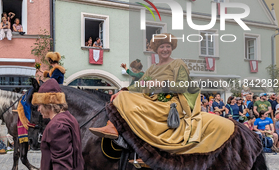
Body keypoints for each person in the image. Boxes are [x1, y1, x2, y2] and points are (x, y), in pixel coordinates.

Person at [89, 33, 237, 164]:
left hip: (172, 103)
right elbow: (140, 85)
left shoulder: (178, 64)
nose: (165, 49)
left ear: (171, 48)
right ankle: (113, 128)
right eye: (162, 47)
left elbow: (183, 86)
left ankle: (150, 155)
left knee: (143, 112)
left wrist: (163, 84)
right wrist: (125, 90)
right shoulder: (152, 68)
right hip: (153, 100)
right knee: (123, 97)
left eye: (167, 46)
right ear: (156, 50)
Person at [32, 78, 84, 170]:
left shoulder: (57, 126)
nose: (38, 109)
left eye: (39, 104)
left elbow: (62, 166)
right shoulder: (70, 118)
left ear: (48, 103)